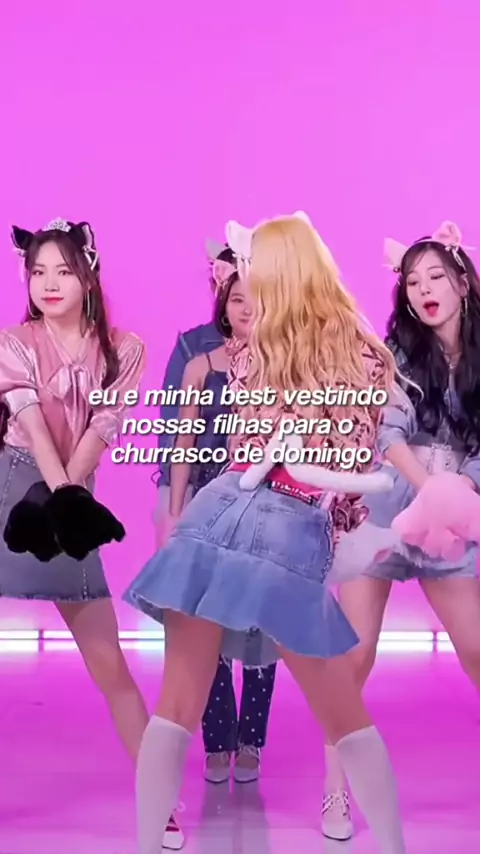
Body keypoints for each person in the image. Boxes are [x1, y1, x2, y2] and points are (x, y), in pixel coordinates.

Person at [124, 211, 407, 854]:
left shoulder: (259, 352)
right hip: (281, 521)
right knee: (343, 715)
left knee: (177, 706)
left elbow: (250, 455)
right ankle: (392, 845)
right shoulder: (359, 355)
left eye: (250, 267)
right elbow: (346, 471)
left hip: (224, 512)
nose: (242, 280)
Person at [0, 218, 183, 851]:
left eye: (63, 271)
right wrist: (61, 496)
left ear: (88, 276)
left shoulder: (123, 349)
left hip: (70, 493)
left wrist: (69, 497)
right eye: (38, 271)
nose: (49, 283)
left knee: (109, 663)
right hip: (14, 483)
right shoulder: (13, 342)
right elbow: (28, 424)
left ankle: (161, 801)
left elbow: (103, 427)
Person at [321, 221, 480, 843]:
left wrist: (457, 491)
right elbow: (387, 434)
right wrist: (430, 487)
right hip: (386, 507)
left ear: (463, 282)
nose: (425, 290)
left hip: (454, 513)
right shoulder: (398, 353)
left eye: (436, 276)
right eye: (413, 282)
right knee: (353, 655)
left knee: (476, 647)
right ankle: (335, 789)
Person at [166, 258, 277, 784]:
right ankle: (217, 741)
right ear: (223, 307)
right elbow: (182, 446)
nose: (247, 309)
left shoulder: (284, 366)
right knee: (207, 624)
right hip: (208, 504)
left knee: (259, 624)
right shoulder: (199, 367)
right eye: (237, 299)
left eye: (257, 300)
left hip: (268, 505)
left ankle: (251, 740)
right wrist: (175, 512)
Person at [154, 241, 229, 546]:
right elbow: (175, 426)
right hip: (193, 481)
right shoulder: (194, 346)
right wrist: (175, 504)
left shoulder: (278, 346)